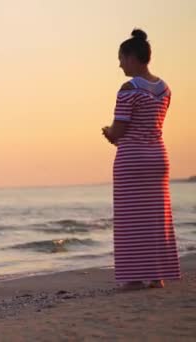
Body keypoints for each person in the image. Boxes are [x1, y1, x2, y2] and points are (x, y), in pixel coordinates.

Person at [102, 29, 180, 290]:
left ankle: (134, 277)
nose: (120, 64)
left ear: (132, 57)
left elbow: (120, 130)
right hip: (158, 157)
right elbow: (153, 124)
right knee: (156, 218)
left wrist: (108, 134)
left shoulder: (128, 89)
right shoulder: (164, 88)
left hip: (132, 158)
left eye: (121, 58)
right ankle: (157, 276)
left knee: (130, 218)